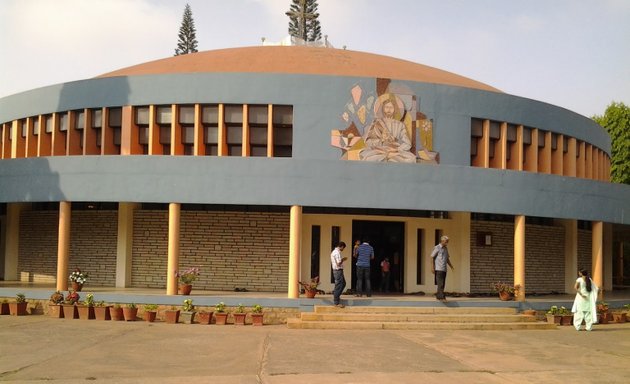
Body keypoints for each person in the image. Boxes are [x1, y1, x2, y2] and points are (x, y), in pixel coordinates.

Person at [360, 94, 417, 163]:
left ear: (394, 109)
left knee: (411, 159)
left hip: (395, 152)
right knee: (369, 158)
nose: (389, 109)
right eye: (387, 107)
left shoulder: (400, 125)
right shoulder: (377, 123)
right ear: (383, 109)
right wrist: (381, 140)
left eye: (391, 107)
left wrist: (397, 149)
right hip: (379, 151)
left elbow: (407, 144)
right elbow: (368, 142)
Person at [431, 235, 454, 302]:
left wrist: (451, 266)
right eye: (446, 241)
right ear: (442, 241)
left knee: (442, 283)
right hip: (438, 268)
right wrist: (432, 267)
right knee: (440, 283)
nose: (447, 243)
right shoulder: (437, 247)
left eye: (447, 241)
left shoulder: (446, 248)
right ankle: (442, 297)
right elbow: (432, 257)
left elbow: (447, 259)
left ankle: (438, 296)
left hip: (444, 268)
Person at [330, 241, 347, 308]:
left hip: (338, 271)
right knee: (339, 285)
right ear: (342, 246)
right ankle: (336, 301)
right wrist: (343, 259)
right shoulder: (337, 253)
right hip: (338, 271)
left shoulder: (335, 252)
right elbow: (338, 263)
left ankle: (336, 296)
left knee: (343, 284)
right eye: (343, 248)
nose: (343, 249)